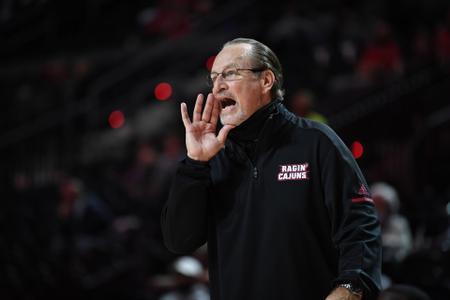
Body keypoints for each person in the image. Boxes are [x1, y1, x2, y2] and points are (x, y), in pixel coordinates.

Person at [161, 38, 381, 300]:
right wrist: (195, 164)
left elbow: (360, 230)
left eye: (230, 73)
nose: (218, 86)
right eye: (214, 77)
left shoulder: (317, 142)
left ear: (266, 80)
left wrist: (350, 289)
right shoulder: (211, 159)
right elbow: (179, 240)